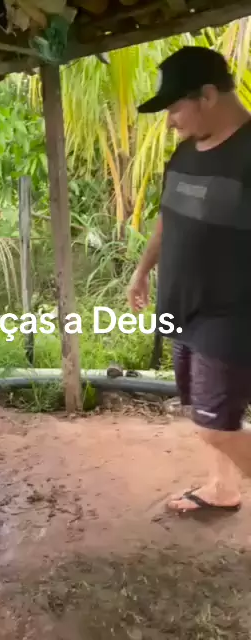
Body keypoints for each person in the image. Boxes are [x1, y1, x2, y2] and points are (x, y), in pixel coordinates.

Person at [127, 46, 251, 514]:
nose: (170, 122)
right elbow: (168, 220)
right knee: (200, 407)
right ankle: (223, 488)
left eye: (175, 108)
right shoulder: (183, 155)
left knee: (213, 424)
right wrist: (142, 271)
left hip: (231, 314)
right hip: (181, 305)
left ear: (208, 95)